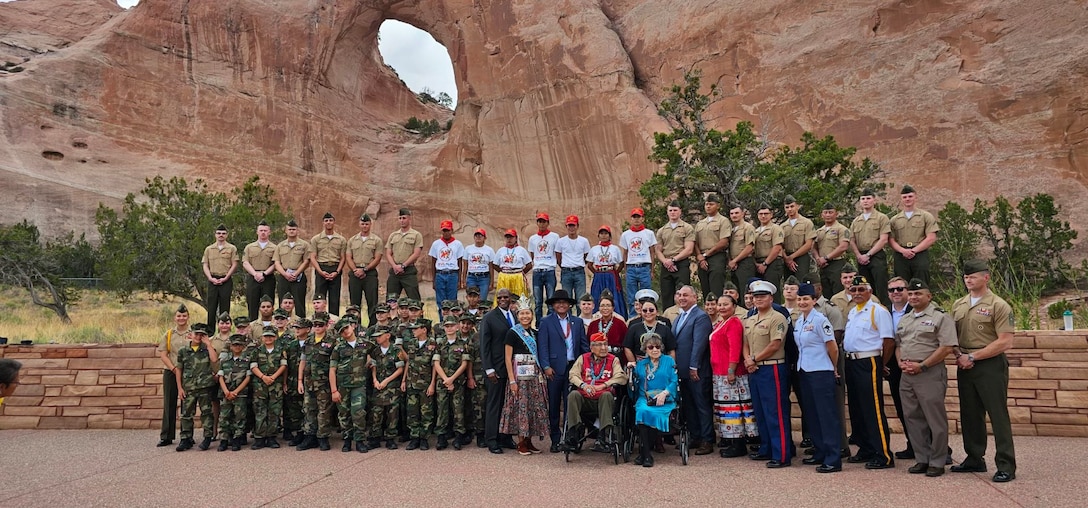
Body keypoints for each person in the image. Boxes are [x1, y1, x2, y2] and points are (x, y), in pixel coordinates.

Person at [951, 259, 1016, 483]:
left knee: (997, 415)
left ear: (986, 278)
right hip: (965, 363)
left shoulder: (999, 305)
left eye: (973, 276)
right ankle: (974, 457)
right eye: (966, 277)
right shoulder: (959, 304)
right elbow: (953, 336)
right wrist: (960, 355)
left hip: (989, 364)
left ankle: (1006, 464)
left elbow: (1005, 341)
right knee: (970, 414)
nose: (968, 280)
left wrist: (973, 356)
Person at [896, 278, 956, 477]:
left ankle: (937, 461)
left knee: (934, 419)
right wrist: (901, 362)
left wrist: (922, 366)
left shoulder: (940, 317)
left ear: (929, 296)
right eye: (911, 294)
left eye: (918, 294)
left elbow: (946, 346)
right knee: (913, 418)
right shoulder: (906, 319)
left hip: (929, 373)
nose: (913, 297)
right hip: (907, 375)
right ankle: (922, 458)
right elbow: (898, 345)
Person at [843, 275, 895, 469]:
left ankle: (883, 454)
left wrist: (882, 363)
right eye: (853, 290)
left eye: (861, 289)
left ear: (870, 291)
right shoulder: (853, 312)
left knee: (872, 409)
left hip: (869, 361)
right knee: (857, 409)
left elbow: (888, 340)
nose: (857, 293)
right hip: (852, 361)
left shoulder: (877, 311)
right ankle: (865, 448)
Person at [793, 283, 843, 473]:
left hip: (821, 371)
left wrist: (834, 367)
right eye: (800, 299)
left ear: (814, 300)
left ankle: (833, 458)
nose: (802, 302)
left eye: (806, 299)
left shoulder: (820, 320)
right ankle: (820, 451)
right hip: (805, 371)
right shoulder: (800, 321)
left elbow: (832, 346)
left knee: (826, 415)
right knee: (812, 414)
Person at [742, 281, 792, 468]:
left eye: (763, 296)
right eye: (756, 296)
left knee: (775, 413)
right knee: (761, 412)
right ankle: (767, 448)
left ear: (771, 298)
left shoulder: (777, 318)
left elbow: (775, 344)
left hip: (772, 368)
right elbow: (745, 342)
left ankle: (782, 455)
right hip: (754, 369)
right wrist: (748, 360)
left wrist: (753, 359)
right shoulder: (750, 319)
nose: (759, 299)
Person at [537, 289, 589, 452]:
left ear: (569, 305)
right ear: (553, 305)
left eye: (564, 302)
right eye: (558, 302)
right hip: (553, 369)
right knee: (553, 404)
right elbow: (542, 346)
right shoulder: (546, 322)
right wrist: (545, 366)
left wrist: (585, 365)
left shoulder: (577, 322)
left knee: (571, 403)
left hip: (573, 368)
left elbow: (583, 345)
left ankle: (570, 437)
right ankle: (555, 438)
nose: (561, 305)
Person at [501, 298, 550, 455]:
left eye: (527, 313)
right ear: (518, 315)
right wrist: (512, 379)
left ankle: (529, 440)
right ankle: (521, 441)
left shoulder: (535, 333)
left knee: (533, 407)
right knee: (520, 407)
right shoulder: (512, 333)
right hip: (519, 377)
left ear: (532, 315)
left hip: (534, 376)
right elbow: (507, 358)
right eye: (522, 313)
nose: (525, 316)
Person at [564, 331, 628, 450]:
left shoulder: (613, 359)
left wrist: (603, 385)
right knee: (573, 394)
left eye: (605, 344)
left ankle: (603, 435)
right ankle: (573, 432)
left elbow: (621, 377)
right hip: (585, 398)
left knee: (606, 395)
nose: (604, 348)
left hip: (604, 401)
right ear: (592, 347)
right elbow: (572, 375)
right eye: (599, 345)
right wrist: (583, 385)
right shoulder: (583, 358)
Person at [710, 295, 756, 458]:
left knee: (734, 408)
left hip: (730, 373)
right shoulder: (721, 323)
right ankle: (731, 441)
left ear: (734, 306)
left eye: (725, 304)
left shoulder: (734, 323)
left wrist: (731, 370)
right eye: (719, 304)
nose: (722, 307)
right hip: (719, 373)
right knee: (726, 409)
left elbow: (735, 348)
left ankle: (739, 444)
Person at [673, 285, 714, 455]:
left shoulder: (701, 317)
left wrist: (693, 366)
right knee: (689, 406)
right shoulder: (679, 317)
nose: (682, 297)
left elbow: (699, 344)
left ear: (694, 298)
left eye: (686, 295)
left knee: (701, 405)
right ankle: (695, 436)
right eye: (679, 294)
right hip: (682, 371)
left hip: (696, 370)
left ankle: (707, 439)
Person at [632, 334, 678, 467]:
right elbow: (635, 386)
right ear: (645, 349)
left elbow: (675, 381)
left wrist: (665, 393)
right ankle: (647, 454)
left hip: (665, 398)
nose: (654, 349)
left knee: (653, 413)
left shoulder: (669, 361)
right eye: (650, 347)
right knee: (642, 411)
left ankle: (644, 455)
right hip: (645, 398)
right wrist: (630, 371)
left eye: (657, 347)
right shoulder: (640, 365)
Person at [480, 289, 516, 453]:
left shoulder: (514, 316)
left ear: (510, 299)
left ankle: (505, 437)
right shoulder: (489, 318)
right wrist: (489, 368)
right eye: (499, 297)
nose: (502, 299)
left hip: (512, 369)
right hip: (496, 369)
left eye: (505, 297)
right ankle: (492, 439)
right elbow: (484, 345)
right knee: (494, 404)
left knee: (508, 405)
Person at [175, 323, 218, 452]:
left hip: (205, 387)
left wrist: (209, 344)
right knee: (187, 414)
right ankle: (186, 438)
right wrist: (179, 388)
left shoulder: (207, 348)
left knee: (206, 413)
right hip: (189, 387)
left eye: (201, 334)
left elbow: (214, 360)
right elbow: (179, 370)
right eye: (196, 334)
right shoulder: (183, 351)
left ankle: (207, 437)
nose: (198, 337)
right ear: (191, 334)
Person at [329, 319, 370, 453]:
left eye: (346, 328)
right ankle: (347, 440)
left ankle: (359, 440)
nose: (345, 332)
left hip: (359, 385)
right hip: (343, 386)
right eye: (342, 331)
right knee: (344, 413)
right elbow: (332, 370)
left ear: (352, 327)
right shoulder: (338, 348)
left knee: (358, 412)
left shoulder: (364, 344)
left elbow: (377, 356)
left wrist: (371, 363)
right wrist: (334, 390)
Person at [297, 313, 336, 451]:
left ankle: (323, 437)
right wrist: (300, 381)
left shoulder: (332, 341)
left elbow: (334, 365)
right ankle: (310, 436)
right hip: (309, 382)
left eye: (320, 325)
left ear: (326, 325)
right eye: (315, 325)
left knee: (324, 410)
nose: (317, 327)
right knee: (308, 409)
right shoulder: (308, 340)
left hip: (324, 383)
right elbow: (303, 361)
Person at [433, 316, 471, 450]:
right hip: (442, 382)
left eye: (451, 326)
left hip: (458, 382)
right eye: (447, 326)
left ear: (457, 327)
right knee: (442, 409)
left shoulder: (463, 344)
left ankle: (458, 437)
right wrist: (446, 380)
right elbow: (436, 364)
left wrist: (452, 379)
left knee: (458, 410)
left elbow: (464, 364)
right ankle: (441, 437)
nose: (449, 328)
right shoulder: (439, 343)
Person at [156, 304, 191, 447]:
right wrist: (173, 368)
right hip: (171, 371)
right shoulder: (169, 334)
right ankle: (166, 436)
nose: (181, 318)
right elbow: (163, 354)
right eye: (179, 316)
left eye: (184, 316)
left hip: (188, 372)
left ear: (188, 317)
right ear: (174, 317)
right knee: (169, 403)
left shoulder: (193, 333)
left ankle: (187, 435)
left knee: (187, 404)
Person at [889, 185, 939, 285]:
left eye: (910, 196)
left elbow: (931, 237)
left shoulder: (925, 216)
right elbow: (890, 240)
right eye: (905, 197)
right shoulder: (894, 220)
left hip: (919, 253)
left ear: (916, 197)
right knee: (901, 284)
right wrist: (903, 251)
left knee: (921, 283)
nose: (907, 199)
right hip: (901, 255)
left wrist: (914, 250)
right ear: (901, 199)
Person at [885, 277, 913, 459]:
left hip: (917, 361)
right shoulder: (885, 312)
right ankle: (913, 444)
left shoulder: (916, 309)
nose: (896, 292)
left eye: (900, 289)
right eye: (892, 290)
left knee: (923, 408)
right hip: (894, 365)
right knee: (902, 406)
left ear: (907, 291)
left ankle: (940, 448)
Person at [850, 189, 892, 307]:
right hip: (861, 257)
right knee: (864, 288)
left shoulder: (881, 218)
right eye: (863, 199)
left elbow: (883, 239)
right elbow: (852, 240)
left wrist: (868, 255)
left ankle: (885, 311)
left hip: (876, 255)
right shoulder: (856, 221)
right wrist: (858, 255)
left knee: (881, 287)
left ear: (874, 200)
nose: (865, 201)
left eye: (868, 198)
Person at [401, 319, 437, 450]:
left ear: (424, 329)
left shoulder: (433, 344)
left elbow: (434, 366)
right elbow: (408, 362)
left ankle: (424, 439)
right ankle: (414, 437)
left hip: (425, 384)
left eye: (416, 328)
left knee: (426, 412)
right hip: (412, 383)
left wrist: (432, 384)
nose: (413, 331)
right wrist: (404, 380)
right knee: (412, 412)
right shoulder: (411, 343)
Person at [250, 325, 287, 450]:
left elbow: (283, 366)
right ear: (262, 337)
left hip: (275, 385)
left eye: (271, 336)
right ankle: (259, 438)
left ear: (275, 337)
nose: (268, 338)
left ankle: (272, 437)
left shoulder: (280, 350)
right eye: (266, 336)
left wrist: (273, 377)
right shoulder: (257, 350)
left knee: (274, 412)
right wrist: (263, 377)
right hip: (260, 386)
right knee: (260, 411)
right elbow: (253, 366)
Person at [368, 325, 405, 450]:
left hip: (391, 387)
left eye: (379, 336)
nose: (377, 339)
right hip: (378, 386)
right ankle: (375, 438)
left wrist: (387, 380)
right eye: (376, 337)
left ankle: (390, 438)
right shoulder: (375, 351)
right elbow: (373, 366)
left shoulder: (395, 350)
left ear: (387, 336)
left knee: (392, 413)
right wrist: (375, 379)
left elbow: (400, 369)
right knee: (376, 413)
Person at [656, 201, 696, 311]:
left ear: (680, 212)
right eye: (670, 210)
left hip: (680, 262)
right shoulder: (662, 230)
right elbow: (658, 250)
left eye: (675, 210)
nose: (673, 213)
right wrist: (666, 262)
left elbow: (689, 249)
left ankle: (685, 315)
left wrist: (674, 260)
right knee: (667, 294)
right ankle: (668, 318)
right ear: (667, 212)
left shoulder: (687, 228)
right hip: (666, 264)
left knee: (683, 292)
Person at [620, 207, 659, 317]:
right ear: (631, 219)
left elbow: (652, 252)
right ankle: (633, 318)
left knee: (646, 295)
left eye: (638, 217)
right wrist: (625, 270)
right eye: (634, 217)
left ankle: (647, 316)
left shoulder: (649, 233)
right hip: (631, 267)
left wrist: (651, 270)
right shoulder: (626, 235)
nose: (636, 219)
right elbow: (625, 253)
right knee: (631, 296)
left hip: (644, 267)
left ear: (643, 218)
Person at [346, 214, 384, 326]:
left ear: (370, 225)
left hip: (370, 273)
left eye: (367, 224)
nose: (364, 226)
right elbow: (348, 256)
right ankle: (355, 327)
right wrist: (355, 270)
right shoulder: (352, 240)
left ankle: (372, 327)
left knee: (372, 302)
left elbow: (377, 258)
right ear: (359, 224)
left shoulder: (376, 240)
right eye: (362, 224)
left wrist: (365, 270)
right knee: (354, 303)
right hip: (355, 273)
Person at [216, 334, 251, 451]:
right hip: (226, 394)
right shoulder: (225, 360)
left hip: (240, 394)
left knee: (239, 417)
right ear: (230, 346)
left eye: (239, 345)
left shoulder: (247, 361)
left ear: (243, 346)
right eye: (234, 345)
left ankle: (237, 439)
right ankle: (224, 440)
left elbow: (247, 378)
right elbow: (220, 376)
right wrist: (226, 391)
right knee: (224, 417)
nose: (237, 347)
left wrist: (236, 391)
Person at [694, 194, 731, 302]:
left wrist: (706, 255)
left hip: (716, 256)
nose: (708, 206)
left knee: (716, 288)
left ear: (718, 206)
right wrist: (700, 256)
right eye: (706, 204)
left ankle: (719, 313)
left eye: (711, 204)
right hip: (702, 258)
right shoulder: (700, 223)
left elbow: (724, 242)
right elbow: (695, 242)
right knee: (705, 289)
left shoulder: (723, 221)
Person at [310, 212, 347, 316]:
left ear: (334, 222)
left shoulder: (341, 239)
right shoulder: (316, 239)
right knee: (319, 298)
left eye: (330, 220)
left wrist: (337, 271)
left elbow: (343, 257)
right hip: (321, 268)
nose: (328, 222)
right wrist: (320, 271)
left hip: (335, 268)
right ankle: (318, 320)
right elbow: (313, 257)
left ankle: (333, 322)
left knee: (334, 299)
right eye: (326, 221)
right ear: (323, 223)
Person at [586, 225, 627, 318]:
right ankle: (596, 317)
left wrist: (615, 273)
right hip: (599, 275)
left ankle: (617, 317)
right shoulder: (594, 249)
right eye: (601, 233)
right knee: (597, 296)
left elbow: (621, 263)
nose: (604, 236)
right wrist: (596, 273)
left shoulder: (615, 248)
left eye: (606, 233)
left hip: (611, 274)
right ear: (598, 235)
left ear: (609, 235)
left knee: (614, 296)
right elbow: (589, 264)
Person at [202, 224, 238, 328]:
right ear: (215, 235)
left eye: (223, 233)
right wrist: (210, 278)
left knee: (225, 307)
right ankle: (210, 332)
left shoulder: (232, 248)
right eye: (218, 233)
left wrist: (226, 277)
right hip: (212, 279)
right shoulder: (209, 249)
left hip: (226, 279)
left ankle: (225, 330)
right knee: (211, 307)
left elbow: (234, 264)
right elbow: (205, 264)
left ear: (227, 235)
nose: (221, 235)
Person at [813, 204, 851, 300]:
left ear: (836, 214)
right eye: (825, 212)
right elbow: (813, 247)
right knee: (826, 293)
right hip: (823, 266)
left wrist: (826, 258)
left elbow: (843, 246)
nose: (828, 215)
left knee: (838, 292)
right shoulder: (818, 231)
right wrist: (818, 258)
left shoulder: (842, 229)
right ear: (822, 215)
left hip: (836, 264)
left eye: (830, 212)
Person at [385, 207, 424, 300]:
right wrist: (395, 266)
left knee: (414, 300)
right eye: (400, 218)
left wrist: (403, 266)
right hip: (395, 271)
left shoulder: (416, 235)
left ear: (409, 219)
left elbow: (416, 253)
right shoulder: (393, 235)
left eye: (404, 218)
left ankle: (417, 315)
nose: (402, 221)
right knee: (391, 300)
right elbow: (388, 253)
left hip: (408, 271)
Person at [273, 220, 311, 317]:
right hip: (284, 276)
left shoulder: (304, 245)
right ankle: (281, 322)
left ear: (297, 231)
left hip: (298, 276)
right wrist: (285, 274)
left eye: (294, 229)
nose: (292, 231)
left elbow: (306, 261)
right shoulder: (280, 246)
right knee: (283, 302)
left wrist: (296, 273)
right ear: (286, 231)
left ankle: (301, 324)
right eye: (290, 229)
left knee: (299, 302)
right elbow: (277, 262)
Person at [528, 213, 561, 322]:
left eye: (544, 222)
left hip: (549, 270)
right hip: (537, 271)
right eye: (540, 221)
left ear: (548, 223)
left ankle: (550, 322)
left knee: (551, 300)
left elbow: (557, 252)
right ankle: (538, 325)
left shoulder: (555, 237)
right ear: (537, 223)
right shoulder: (533, 238)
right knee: (538, 302)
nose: (542, 224)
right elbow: (533, 255)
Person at [281, 318, 309, 445]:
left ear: (308, 329)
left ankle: (309, 434)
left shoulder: (312, 344)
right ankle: (298, 433)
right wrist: (285, 382)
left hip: (310, 380)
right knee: (294, 408)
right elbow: (286, 365)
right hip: (293, 380)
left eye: (299, 328)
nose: (297, 330)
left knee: (308, 408)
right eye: (295, 328)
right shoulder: (291, 345)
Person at [242, 220, 277, 321]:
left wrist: (264, 274)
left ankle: (268, 327)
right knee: (252, 304)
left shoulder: (274, 248)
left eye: (265, 230)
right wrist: (255, 274)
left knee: (268, 305)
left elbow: (276, 263)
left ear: (269, 232)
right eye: (261, 230)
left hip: (268, 278)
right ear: (257, 232)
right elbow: (245, 262)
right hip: (253, 278)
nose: (263, 232)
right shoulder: (249, 247)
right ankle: (253, 327)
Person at [428, 220, 466, 306]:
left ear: (452, 230)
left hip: (452, 274)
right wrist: (433, 280)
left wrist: (459, 280)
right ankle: (442, 319)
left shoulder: (457, 244)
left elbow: (460, 262)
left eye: (448, 230)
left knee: (452, 300)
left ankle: (451, 318)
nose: (446, 233)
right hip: (440, 274)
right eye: (444, 231)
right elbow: (433, 262)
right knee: (440, 300)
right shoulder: (436, 244)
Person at [753, 204, 786, 302]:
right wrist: (756, 264)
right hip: (758, 264)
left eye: (766, 214)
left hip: (772, 263)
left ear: (771, 214)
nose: (763, 216)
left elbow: (777, 248)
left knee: (772, 291)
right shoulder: (756, 231)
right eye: (761, 214)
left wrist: (765, 264)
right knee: (760, 292)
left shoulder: (776, 228)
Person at [556, 215, 591, 304]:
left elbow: (587, 256)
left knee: (581, 299)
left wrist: (578, 263)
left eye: (573, 225)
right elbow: (558, 257)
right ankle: (568, 317)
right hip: (566, 272)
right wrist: (565, 265)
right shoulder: (561, 241)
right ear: (566, 226)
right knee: (567, 299)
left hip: (579, 271)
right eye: (569, 225)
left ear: (577, 226)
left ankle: (580, 317)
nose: (571, 228)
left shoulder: (584, 241)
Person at [781, 195, 816, 284]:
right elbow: (780, 246)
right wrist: (786, 258)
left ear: (797, 206)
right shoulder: (782, 226)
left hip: (801, 256)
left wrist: (792, 257)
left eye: (792, 206)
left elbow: (808, 244)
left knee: (802, 282)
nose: (790, 209)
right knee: (788, 284)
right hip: (787, 257)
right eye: (787, 207)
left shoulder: (806, 223)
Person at [727, 204, 757, 299]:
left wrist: (735, 260)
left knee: (745, 292)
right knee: (736, 293)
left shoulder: (748, 228)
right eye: (732, 213)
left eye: (736, 213)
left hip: (745, 263)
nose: (734, 215)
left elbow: (749, 248)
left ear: (743, 214)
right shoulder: (731, 230)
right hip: (734, 264)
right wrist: (730, 261)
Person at [494, 229, 533, 299]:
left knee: (518, 297)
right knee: (504, 296)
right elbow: (495, 264)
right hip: (504, 277)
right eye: (507, 237)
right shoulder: (501, 250)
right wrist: (502, 272)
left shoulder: (521, 250)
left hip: (517, 277)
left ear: (516, 238)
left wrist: (521, 273)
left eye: (511, 237)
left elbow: (529, 265)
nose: (509, 239)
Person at [588, 290, 628, 358]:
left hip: (616, 358)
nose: (605, 308)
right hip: (596, 358)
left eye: (608, 305)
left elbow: (626, 344)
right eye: (602, 306)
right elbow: (588, 343)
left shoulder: (620, 324)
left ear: (613, 308)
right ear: (599, 308)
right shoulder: (593, 324)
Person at [465, 229, 496, 302]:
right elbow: (465, 265)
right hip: (472, 277)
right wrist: (463, 280)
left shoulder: (489, 250)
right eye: (476, 235)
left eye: (480, 235)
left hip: (484, 277)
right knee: (472, 299)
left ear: (484, 238)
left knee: (482, 299)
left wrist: (491, 282)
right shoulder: (468, 249)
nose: (478, 237)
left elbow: (491, 267)